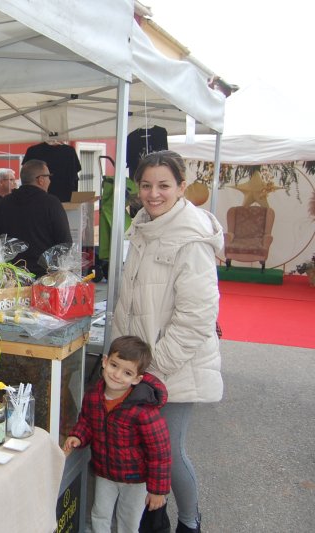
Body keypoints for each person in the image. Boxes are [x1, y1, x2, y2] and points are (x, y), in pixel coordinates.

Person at [111, 150, 223, 533]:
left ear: (181, 187)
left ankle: (190, 524)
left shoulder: (191, 238)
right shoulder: (142, 226)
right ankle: (151, 519)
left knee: (168, 454)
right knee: (142, 450)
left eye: (163, 185)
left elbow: (196, 318)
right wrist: (117, 358)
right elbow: (128, 304)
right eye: (146, 185)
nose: (153, 193)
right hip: (139, 368)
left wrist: (152, 372)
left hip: (174, 368)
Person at [63, 336, 171, 533]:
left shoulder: (143, 410)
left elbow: (160, 452)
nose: (117, 375)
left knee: (128, 520)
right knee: (99, 514)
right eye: (114, 365)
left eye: (127, 372)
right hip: (105, 472)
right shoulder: (94, 395)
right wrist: (78, 436)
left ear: (137, 379)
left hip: (136, 479)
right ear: (104, 361)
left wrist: (158, 490)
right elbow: (87, 420)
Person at [0, 159, 72, 276]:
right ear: (41, 179)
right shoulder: (51, 203)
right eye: (48, 176)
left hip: (13, 275)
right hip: (44, 277)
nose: (49, 181)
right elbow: (65, 242)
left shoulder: (5, 202)